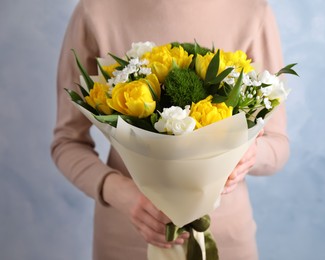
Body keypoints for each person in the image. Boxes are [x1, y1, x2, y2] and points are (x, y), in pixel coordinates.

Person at [51, 0, 289, 259]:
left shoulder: (252, 10)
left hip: (225, 239)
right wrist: (121, 193)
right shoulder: (95, 9)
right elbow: (67, 142)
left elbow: (278, 145)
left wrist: (251, 153)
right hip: (126, 239)